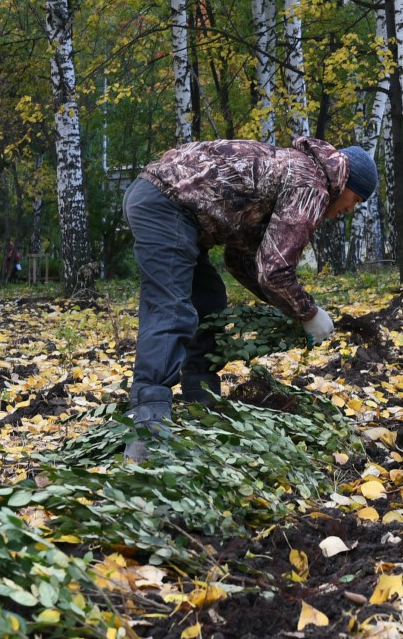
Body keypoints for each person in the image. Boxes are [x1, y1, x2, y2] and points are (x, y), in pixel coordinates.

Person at [121, 136, 377, 462]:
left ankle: (203, 404)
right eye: (356, 199)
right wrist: (309, 313)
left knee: (209, 300)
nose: (351, 209)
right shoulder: (313, 184)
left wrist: (288, 308)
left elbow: (244, 262)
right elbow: (274, 271)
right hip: (166, 205)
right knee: (171, 309)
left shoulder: (297, 172)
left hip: (162, 201)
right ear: (346, 182)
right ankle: (148, 432)